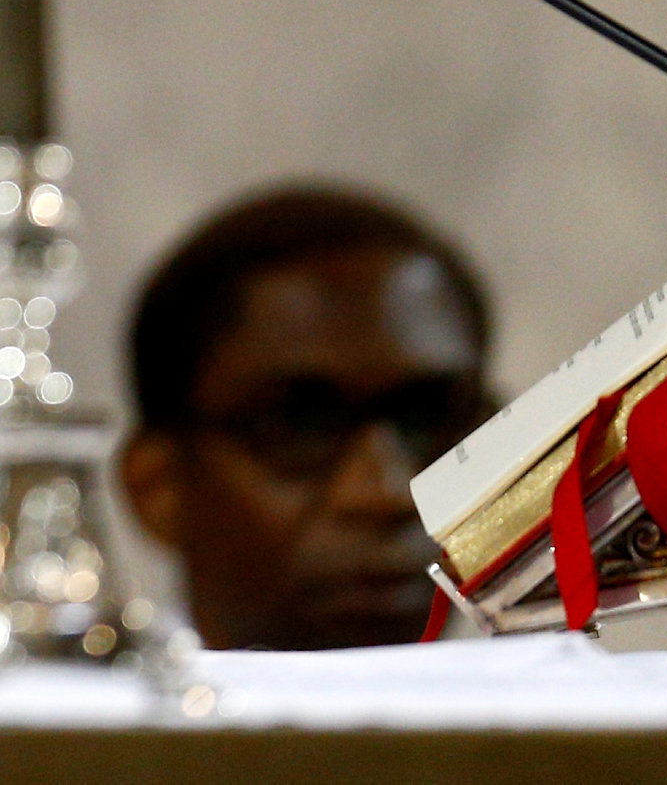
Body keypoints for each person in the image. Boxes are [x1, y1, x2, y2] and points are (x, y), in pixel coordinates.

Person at [117, 186, 493, 651]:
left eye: (428, 419)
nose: (385, 496)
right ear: (158, 484)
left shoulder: (575, 709)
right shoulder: (59, 718)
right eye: (301, 426)